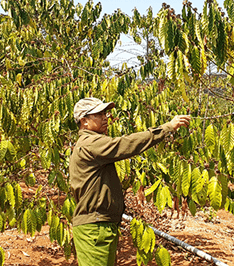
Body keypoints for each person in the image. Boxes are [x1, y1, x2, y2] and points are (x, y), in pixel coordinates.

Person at [70, 97, 190, 266]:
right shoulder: (90, 143)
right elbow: (125, 144)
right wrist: (166, 128)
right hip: (94, 228)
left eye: (105, 113)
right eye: (99, 114)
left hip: (100, 225)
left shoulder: (91, 142)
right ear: (84, 121)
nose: (105, 118)